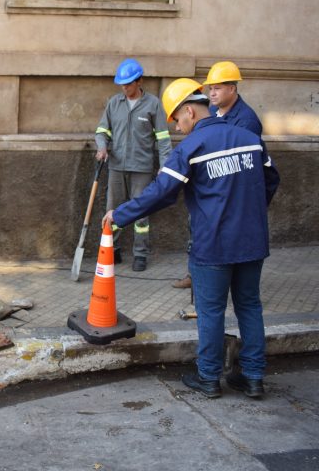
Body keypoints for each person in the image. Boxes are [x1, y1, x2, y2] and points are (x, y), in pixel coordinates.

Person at [103, 78, 279, 399]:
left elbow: (161, 193)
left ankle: (208, 377)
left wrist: (121, 215)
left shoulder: (192, 147)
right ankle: (253, 377)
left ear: (189, 112)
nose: (178, 128)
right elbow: (271, 179)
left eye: (177, 121)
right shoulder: (249, 138)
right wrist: (249, 214)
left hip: (212, 245)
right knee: (250, 307)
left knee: (211, 311)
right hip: (252, 241)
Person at [173, 61, 262, 289]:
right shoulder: (210, 112)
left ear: (232, 89)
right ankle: (196, 275)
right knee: (198, 232)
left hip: (228, 196)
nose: (211, 93)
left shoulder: (247, 120)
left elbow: (245, 166)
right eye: (210, 88)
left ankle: (222, 280)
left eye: (218, 88)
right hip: (206, 191)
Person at [95, 58, 172, 272]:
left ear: (140, 81)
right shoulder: (114, 103)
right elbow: (102, 130)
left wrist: (165, 166)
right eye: (122, 84)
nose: (125, 87)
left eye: (128, 83)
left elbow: (163, 138)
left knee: (141, 212)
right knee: (113, 211)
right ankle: (113, 250)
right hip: (116, 167)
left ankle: (140, 254)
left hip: (142, 168)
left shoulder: (153, 104)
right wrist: (102, 147)